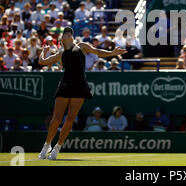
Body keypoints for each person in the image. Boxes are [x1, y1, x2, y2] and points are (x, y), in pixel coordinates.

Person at [37, 27, 126, 160]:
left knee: (70, 119)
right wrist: (43, 52)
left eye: (70, 33)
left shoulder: (82, 46)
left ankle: (57, 148)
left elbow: (97, 52)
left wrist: (112, 52)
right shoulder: (60, 54)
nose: (68, 34)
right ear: (62, 39)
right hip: (65, 85)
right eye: (65, 33)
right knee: (57, 118)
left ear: (72, 37)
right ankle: (46, 145)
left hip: (80, 86)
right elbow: (42, 62)